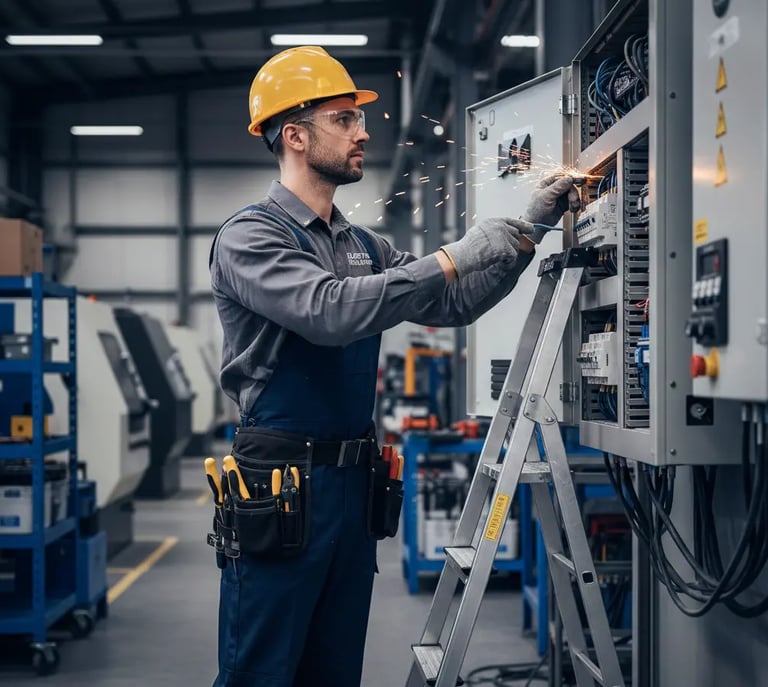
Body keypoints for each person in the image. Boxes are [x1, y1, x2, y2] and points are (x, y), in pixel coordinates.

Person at [208, 45, 580, 687]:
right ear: (294, 136)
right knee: (260, 673)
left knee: (333, 672)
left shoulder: (363, 245)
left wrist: (523, 234)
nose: (362, 133)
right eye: (344, 119)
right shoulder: (251, 236)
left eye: (358, 118)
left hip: (351, 488)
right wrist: (453, 255)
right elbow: (328, 312)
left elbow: (455, 302)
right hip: (281, 486)